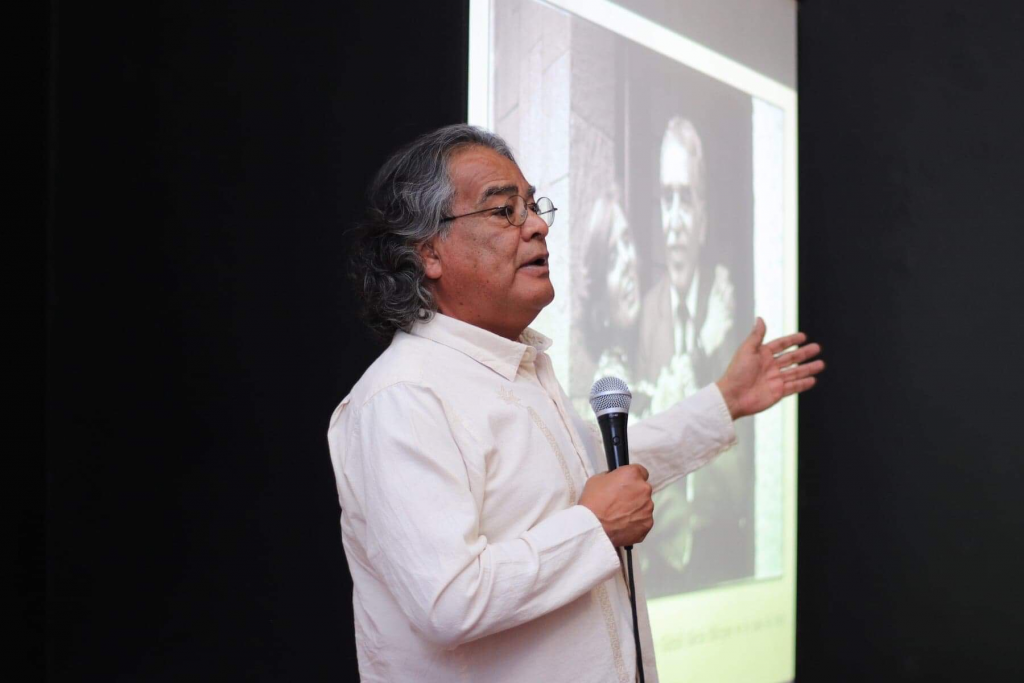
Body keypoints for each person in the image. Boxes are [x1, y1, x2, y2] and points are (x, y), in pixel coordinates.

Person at [327, 124, 823, 682]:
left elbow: (603, 472)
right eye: (504, 211)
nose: (537, 226)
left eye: (533, 206)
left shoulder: (518, 367)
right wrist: (594, 527)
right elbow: (450, 600)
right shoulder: (402, 397)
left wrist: (724, 401)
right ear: (429, 252)